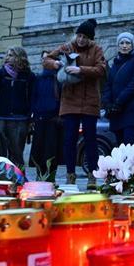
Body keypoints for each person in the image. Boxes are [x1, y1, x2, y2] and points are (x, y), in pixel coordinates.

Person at [45, 19, 107, 187]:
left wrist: (81, 70)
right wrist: (56, 63)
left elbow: (101, 69)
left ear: (90, 39)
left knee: (90, 140)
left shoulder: (97, 49)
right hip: (70, 101)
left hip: (89, 102)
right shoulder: (67, 47)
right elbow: (46, 59)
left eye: (85, 37)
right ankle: (70, 175)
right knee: (70, 139)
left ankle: (92, 176)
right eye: (79, 36)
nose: (81, 40)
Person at [0, 47, 35, 170]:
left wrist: (30, 117)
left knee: (17, 152)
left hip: (20, 119)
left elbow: (32, 97)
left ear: (19, 57)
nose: (8, 57)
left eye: (11, 55)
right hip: (1, 117)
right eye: (7, 55)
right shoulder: (1, 73)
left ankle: (17, 178)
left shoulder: (29, 76)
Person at [102, 32, 134, 146]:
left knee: (130, 150)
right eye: (121, 43)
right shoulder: (115, 63)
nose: (124, 45)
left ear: (132, 45)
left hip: (132, 112)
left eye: (127, 43)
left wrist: (119, 101)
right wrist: (107, 103)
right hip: (117, 113)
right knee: (120, 150)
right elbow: (108, 84)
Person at [29, 50, 62, 181]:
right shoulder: (37, 79)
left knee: (52, 150)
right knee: (38, 150)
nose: (45, 61)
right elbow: (33, 98)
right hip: (39, 119)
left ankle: (50, 178)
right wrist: (32, 116)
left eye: (48, 59)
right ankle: (40, 176)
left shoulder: (60, 78)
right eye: (43, 59)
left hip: (55, 120)